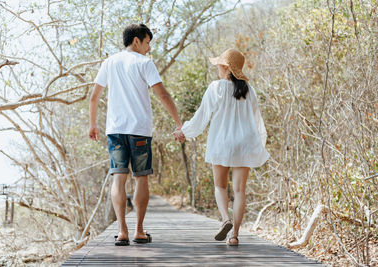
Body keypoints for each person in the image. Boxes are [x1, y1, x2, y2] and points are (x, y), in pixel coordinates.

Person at [89, 24, 182, 246]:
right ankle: (139, 231)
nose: (149, 49)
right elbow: (162, 94)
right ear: (136, 41)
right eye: (148, 43)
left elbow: (94, 96)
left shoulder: (109, 62)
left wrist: (92, 124)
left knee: (118, 178)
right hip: (139, 130)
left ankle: (122, 232)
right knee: (141, 177)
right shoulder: (144, 63)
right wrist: (179, 123)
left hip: (116, 131)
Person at [174, 48, 269, 246]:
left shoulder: (215, 87)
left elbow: (202, 117)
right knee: (240, 191)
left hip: (221, 143)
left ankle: (225, 218)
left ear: (226, 67)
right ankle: (234, 235)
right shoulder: (249, 90)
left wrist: (184, 131)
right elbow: (256, 120)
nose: (217, 66)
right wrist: (259, 143)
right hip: (245, 143)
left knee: (220, 186)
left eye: (219, 64)